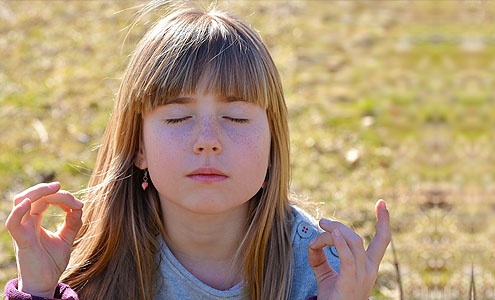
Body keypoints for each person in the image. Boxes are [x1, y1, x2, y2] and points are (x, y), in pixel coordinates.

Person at [4, 2, 391, 300]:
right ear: (138, 145)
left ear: (274, 142)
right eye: (177, 118)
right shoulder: (89, 264)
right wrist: (39, 288)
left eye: (236, 117)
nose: (208, 139)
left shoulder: (321, 271)